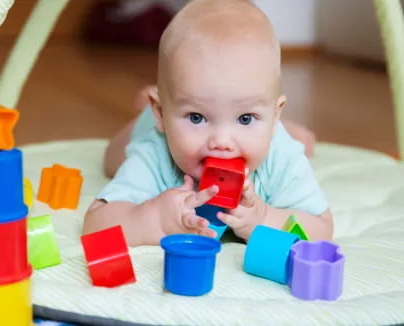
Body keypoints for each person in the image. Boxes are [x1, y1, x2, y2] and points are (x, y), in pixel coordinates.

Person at [83, 0, 333, 246]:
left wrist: (266, 219)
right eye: (196, 117)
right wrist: (154, 218)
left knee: (300, 143)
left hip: (268, 127)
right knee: (112, 159)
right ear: (161, 113)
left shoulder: (281, 155)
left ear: (275, 115)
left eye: (245, 118)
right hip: (151, 126)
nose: (221, 142)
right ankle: (144, 115)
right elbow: (96, 222)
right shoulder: (155, 154)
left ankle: (275, 125)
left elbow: (321, 226)